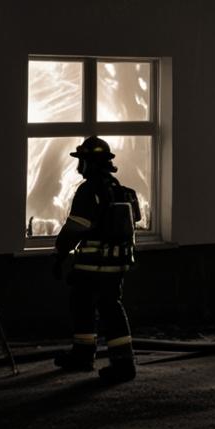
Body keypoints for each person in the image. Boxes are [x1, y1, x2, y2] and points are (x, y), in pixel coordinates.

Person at [52, 136, 141, 382]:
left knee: (92, 307)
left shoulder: (89, 190)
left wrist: (59, 255)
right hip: (117, 264)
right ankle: (98, 357)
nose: (78, 166)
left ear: (90, 163)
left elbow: (75, 229)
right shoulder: (117, 188)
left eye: (81, 161)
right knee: (100, 306)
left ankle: (115, 364)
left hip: (93, 265)